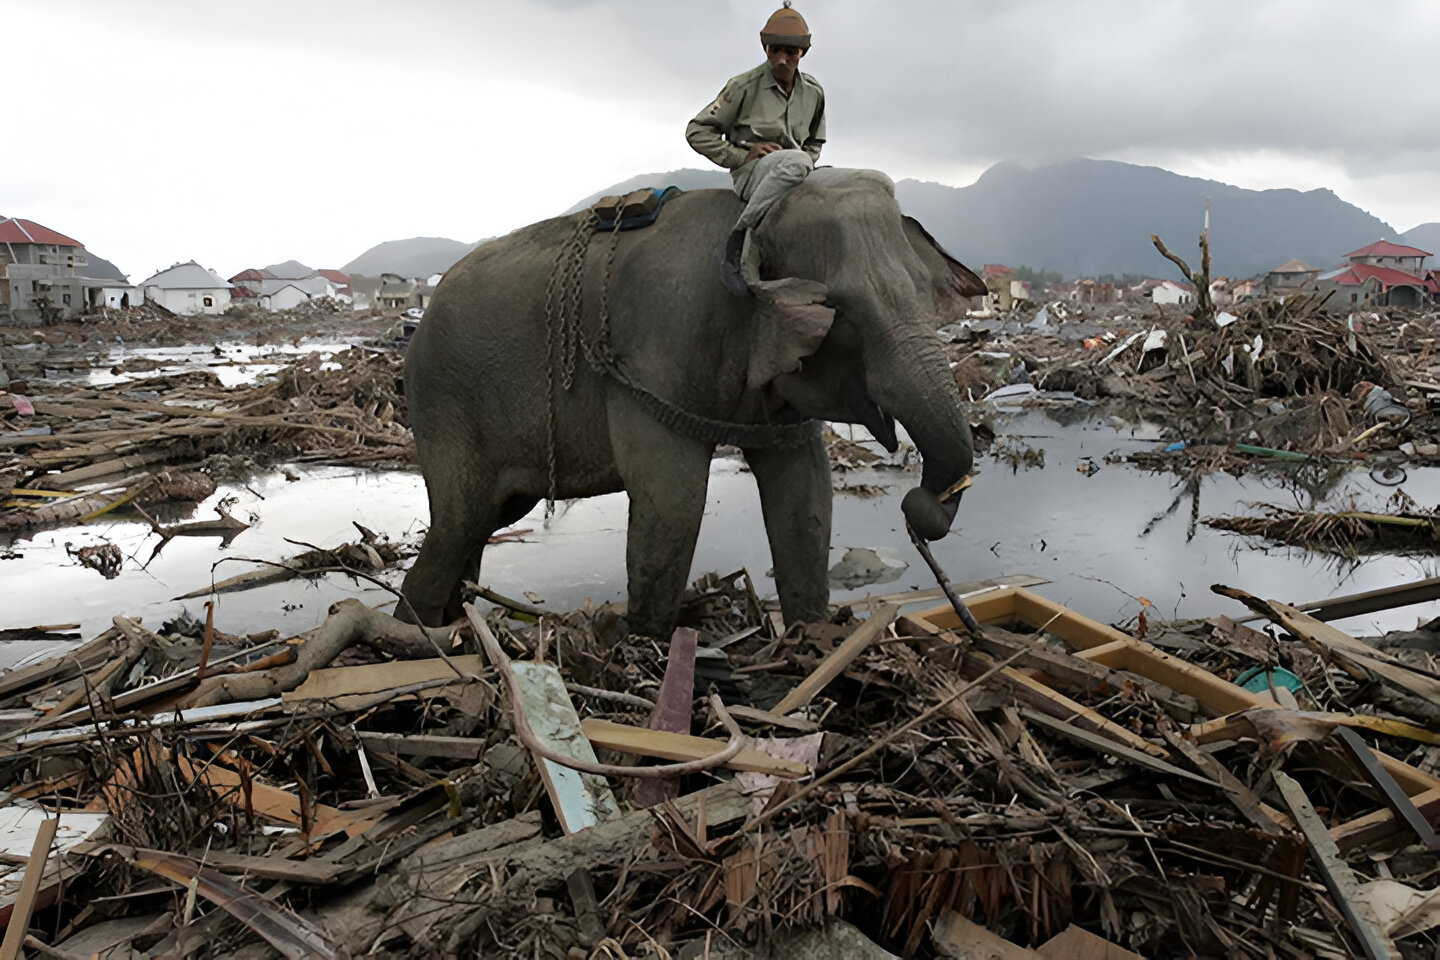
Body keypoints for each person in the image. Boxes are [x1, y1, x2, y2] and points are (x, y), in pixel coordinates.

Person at [685, 2, 825, 293]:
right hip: (753, 173)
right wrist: (740, 156)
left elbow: (815, 140)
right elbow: (697, 130)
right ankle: (738, 240)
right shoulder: (742, 87)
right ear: (766, 50)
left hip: (797, 169)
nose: (782, 59)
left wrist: (808, 162)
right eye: (776, 50)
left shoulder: (813, 92)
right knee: (797, 163)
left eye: (791, 52)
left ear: (802, 54)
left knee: (860, 181)